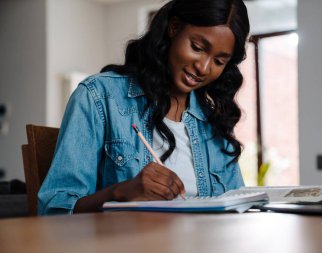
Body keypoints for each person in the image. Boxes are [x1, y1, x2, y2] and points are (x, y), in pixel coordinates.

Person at [38, 0, 250, 215]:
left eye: (219, 61)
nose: (203, 68)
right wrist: (119, 193)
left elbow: (237, 205)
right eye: (197, 47)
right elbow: (53, 210)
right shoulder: (99, 97)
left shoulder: (214, 121)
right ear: (174, 27)